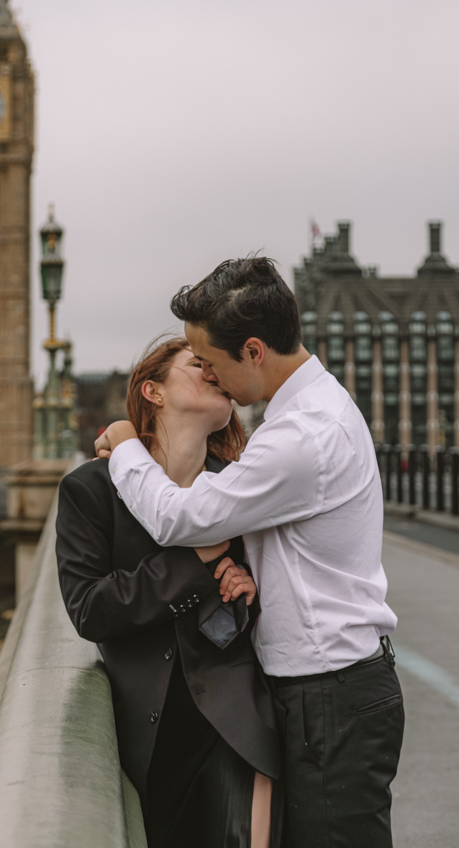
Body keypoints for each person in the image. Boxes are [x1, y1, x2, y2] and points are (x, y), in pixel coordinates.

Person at [95, 257, 405, 848]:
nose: (212, 377)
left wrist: (127, 444)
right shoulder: (308, 413)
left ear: (255, 351)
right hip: (328, 690)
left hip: (329, 694)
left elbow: (179, 517)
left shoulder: (302, 437)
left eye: (211, 362)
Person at [56, 337, 284, 848]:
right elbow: (90, 610)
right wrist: (195, 563)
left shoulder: (242, 487)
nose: (213, 372)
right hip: (149, 739)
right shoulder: (90, 491)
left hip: (236, 727)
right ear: (153, 391)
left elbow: (283, 595)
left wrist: (250, 590)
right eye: (197, 364)